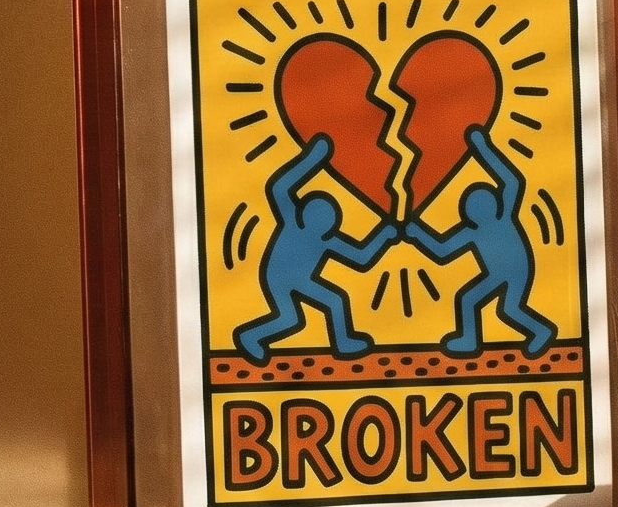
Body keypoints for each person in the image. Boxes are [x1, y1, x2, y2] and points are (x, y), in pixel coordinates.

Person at [234, 133, 397, 362]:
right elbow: (280, 188)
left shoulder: (327, 239)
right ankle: (251, 337)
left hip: (296, 280)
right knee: (318, 306)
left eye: (327, 219)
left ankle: (252, 336)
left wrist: (384, 235)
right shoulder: (292, 220)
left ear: (331, 225)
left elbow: (361, 257)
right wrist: (311, 160)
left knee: (295, 317)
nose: (320, 221)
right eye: (315, 212)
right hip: (278, 277)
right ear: (304, 212)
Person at [404, 125, 556, 357]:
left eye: (485, 200)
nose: (482, 206)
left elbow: (511, 181)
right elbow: (442, 250)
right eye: (475, 205)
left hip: (517, 270)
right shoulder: (472, 231)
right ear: (470, 213)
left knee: (507, 308)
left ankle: (541, 331)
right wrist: (418, 234)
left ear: (494, 203)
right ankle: (470, 341)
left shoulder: (503, 215)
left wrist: (484, 149)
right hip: (498, 274)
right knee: (474, 300)